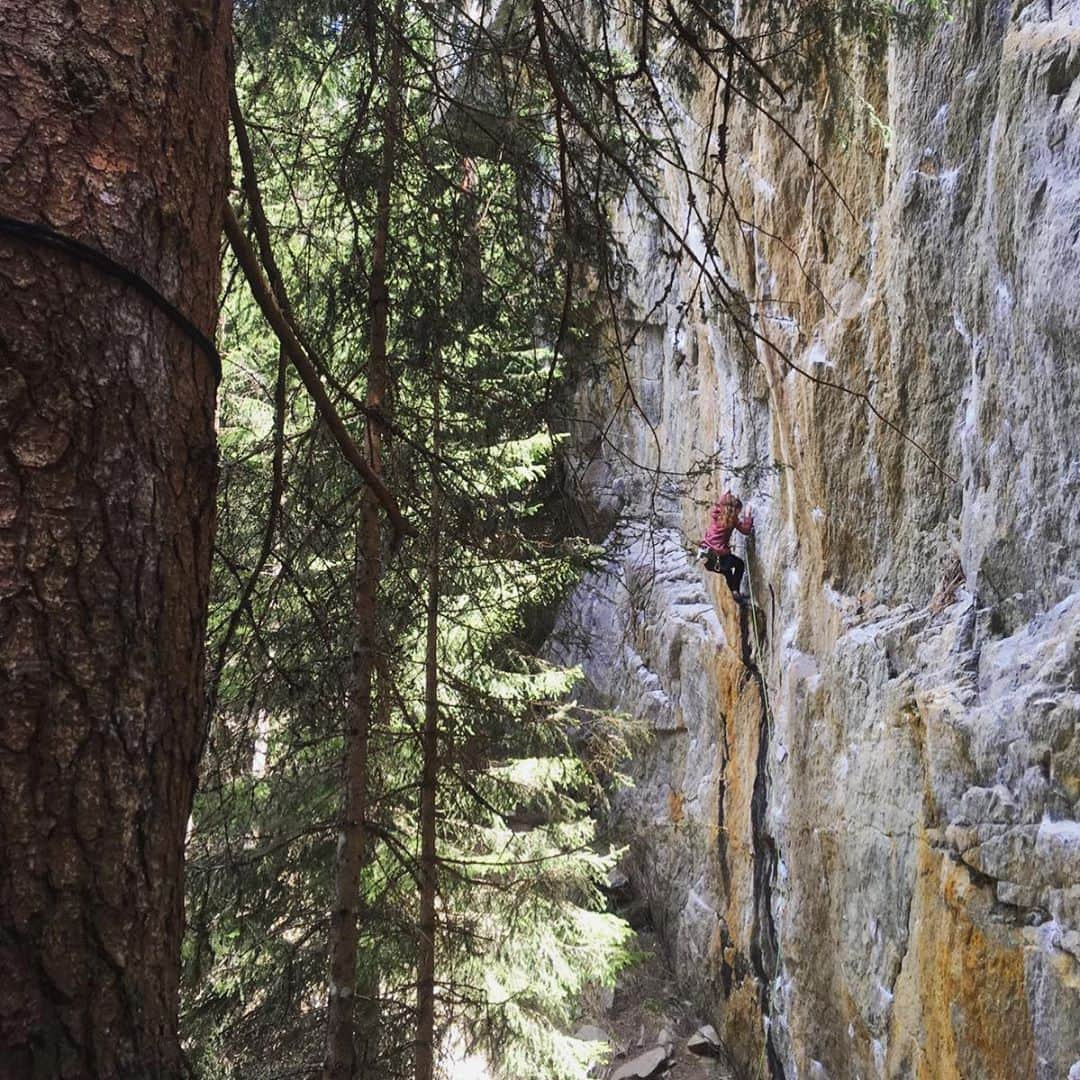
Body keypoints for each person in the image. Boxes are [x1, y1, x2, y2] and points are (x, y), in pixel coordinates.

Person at [698, 491, 754, 601]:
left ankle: (735, 594)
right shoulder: (732, 520)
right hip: (719, 558)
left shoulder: (716, 513)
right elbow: (746, 530)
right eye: (739, 512)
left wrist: (727, 494)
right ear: (734, 510)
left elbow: (721, 501)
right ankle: (735, 591)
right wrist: (747, 516)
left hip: (706, 556)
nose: (739, 514)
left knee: (727, 572)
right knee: (739, 564)